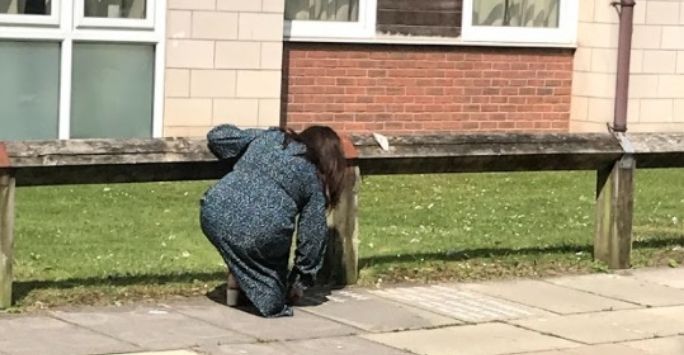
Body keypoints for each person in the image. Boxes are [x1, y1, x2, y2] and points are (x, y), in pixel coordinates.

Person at [199, 124, 347, 317]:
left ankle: (239, 285)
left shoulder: (271, 138)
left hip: (213, 211)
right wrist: (301, 280)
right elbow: (313, 237)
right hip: (260, 233)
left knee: (248, 247)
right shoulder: (314, 179)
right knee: (274, 304)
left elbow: (218, 137)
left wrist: (260, 137)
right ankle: (256, 288)